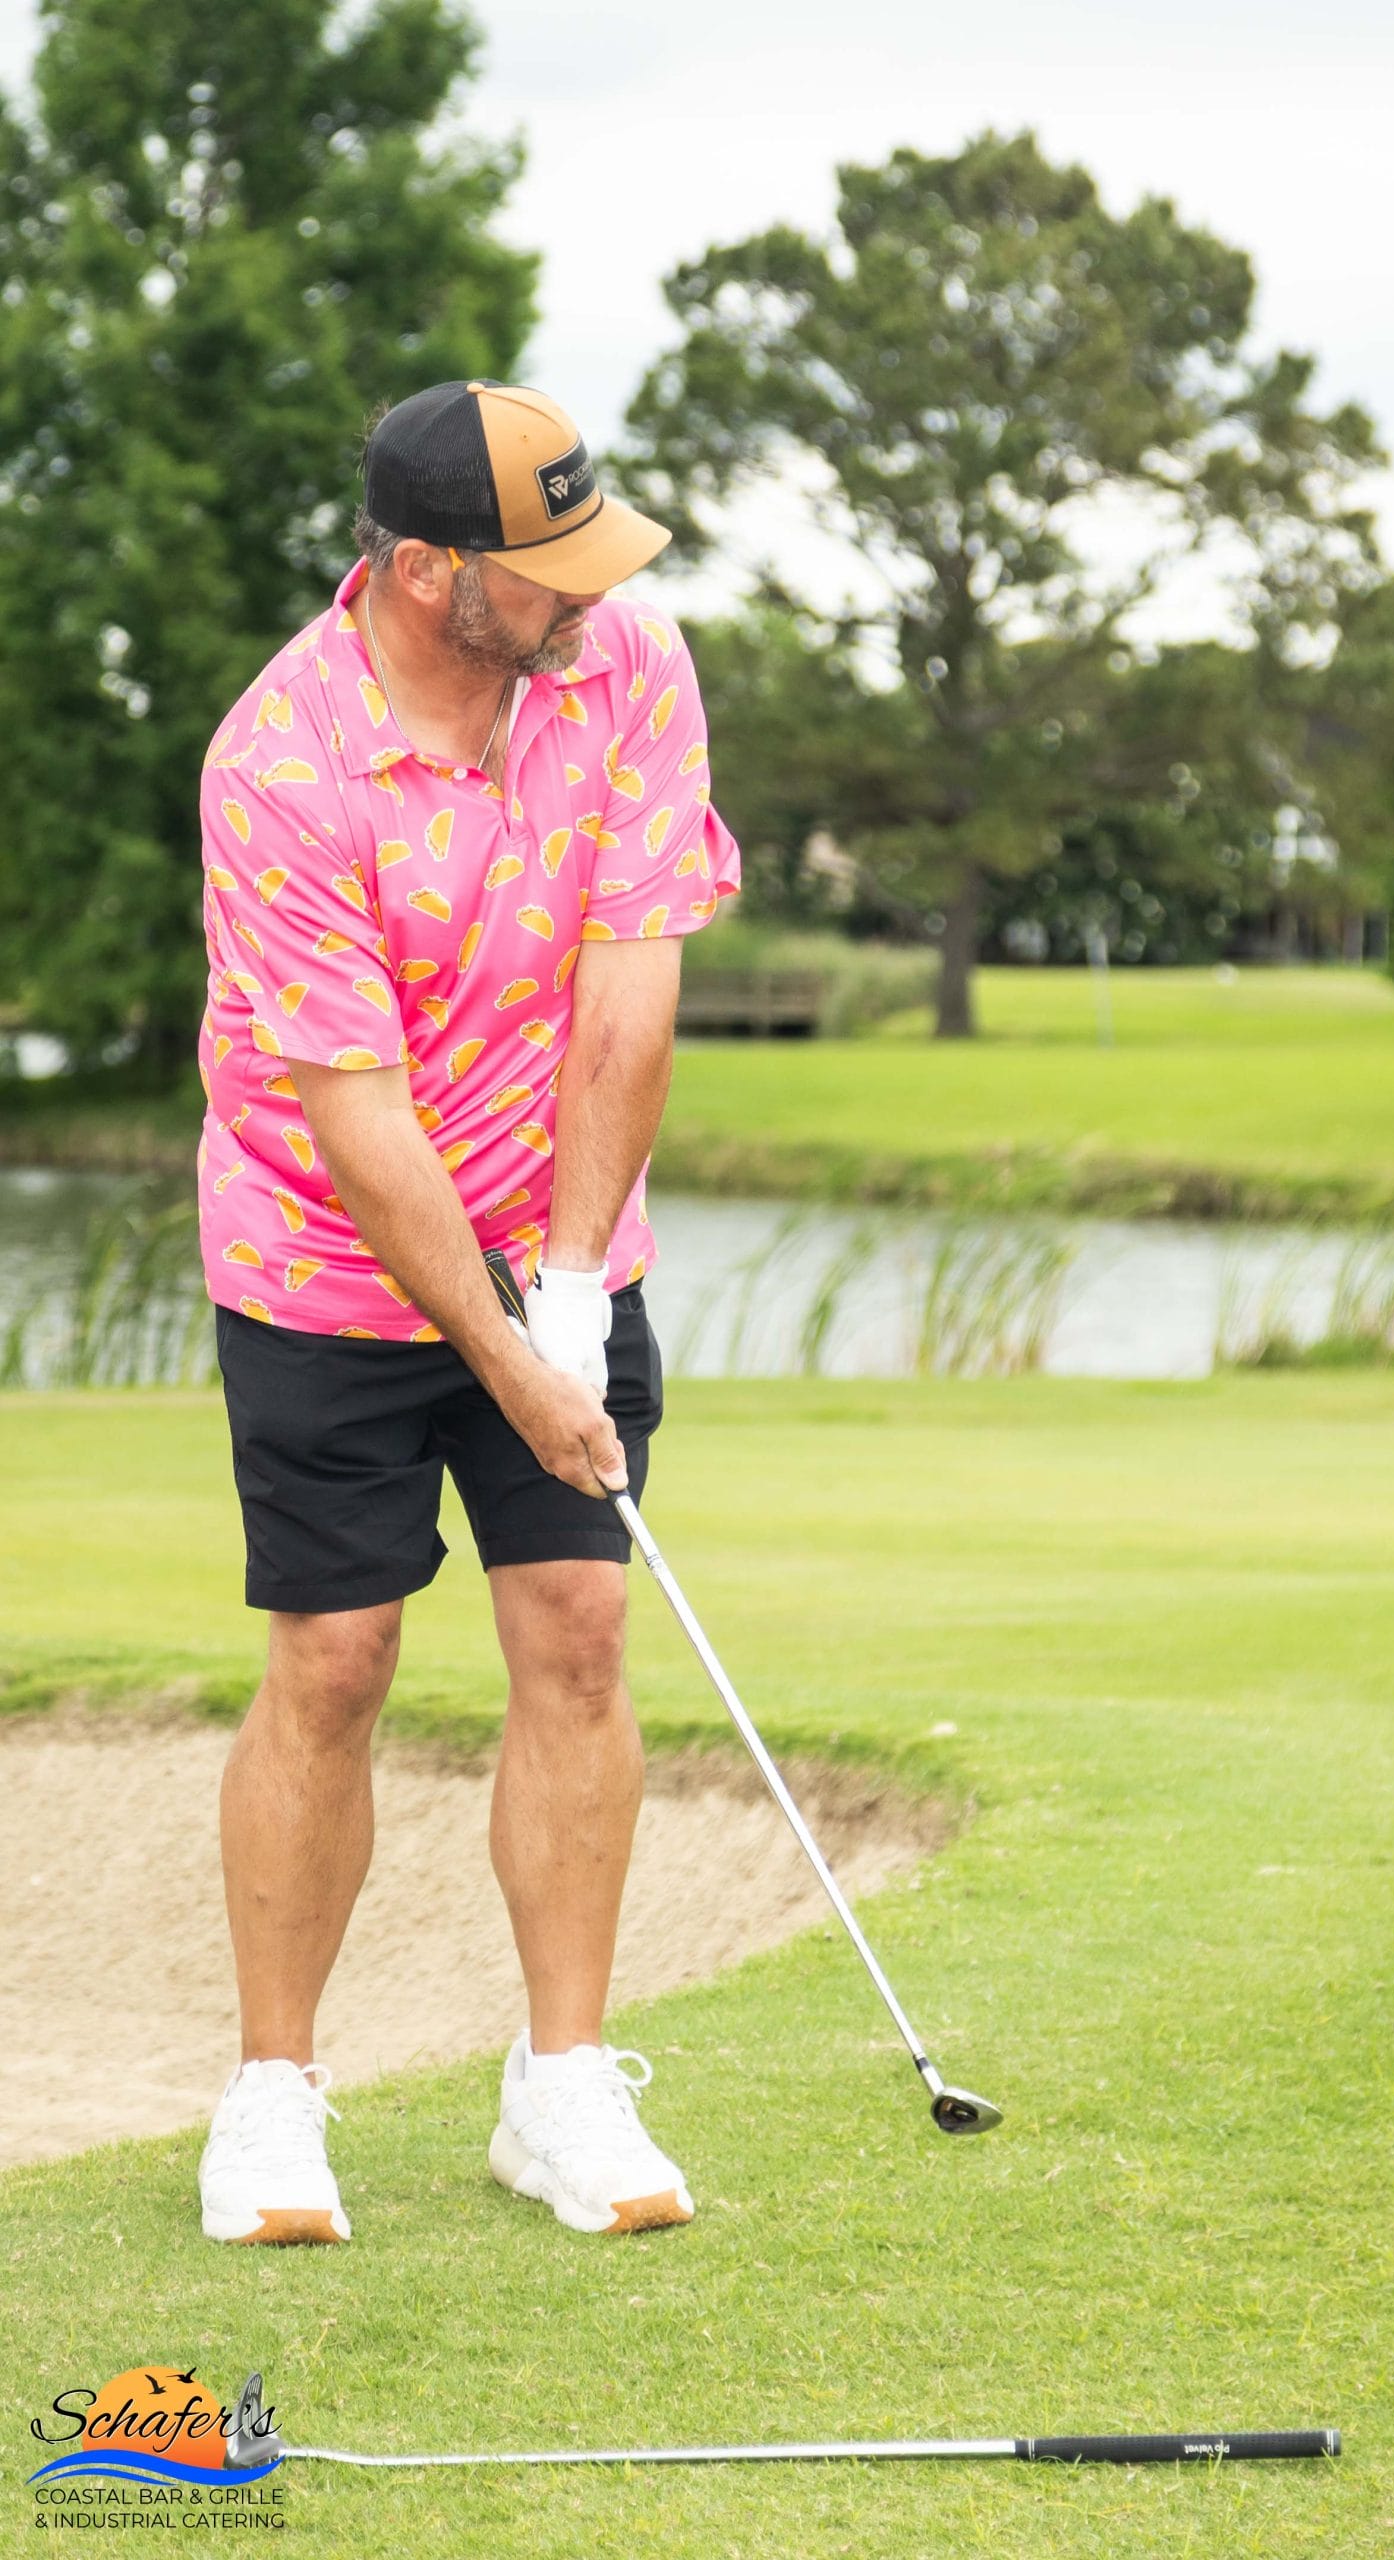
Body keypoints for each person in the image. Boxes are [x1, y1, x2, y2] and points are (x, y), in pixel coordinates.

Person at [193, 380, 740, 2246]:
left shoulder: (625, 667)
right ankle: (274, 2095)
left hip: (559, 1234)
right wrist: (503, 1359)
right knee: (336, 1658)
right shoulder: (281, 762)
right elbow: (355, 1120)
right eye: (550, 566)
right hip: (324, 1260)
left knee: (579, 1629)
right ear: (430, 572)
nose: (593, 594)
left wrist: (571, 1291)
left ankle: (560, 2085)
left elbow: (630, 993)